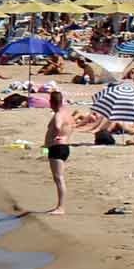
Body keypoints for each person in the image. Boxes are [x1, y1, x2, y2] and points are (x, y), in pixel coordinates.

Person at [42, 87, 96, 216]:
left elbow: (56, 126)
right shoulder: (68, 114)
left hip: (56, 147)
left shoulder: (59, 115)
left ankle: (61, 207)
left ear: (52, 102)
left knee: (58, 178)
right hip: (64, 146)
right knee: (58, 177)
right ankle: (59, 206)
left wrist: (53, 137)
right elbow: (72, 126)